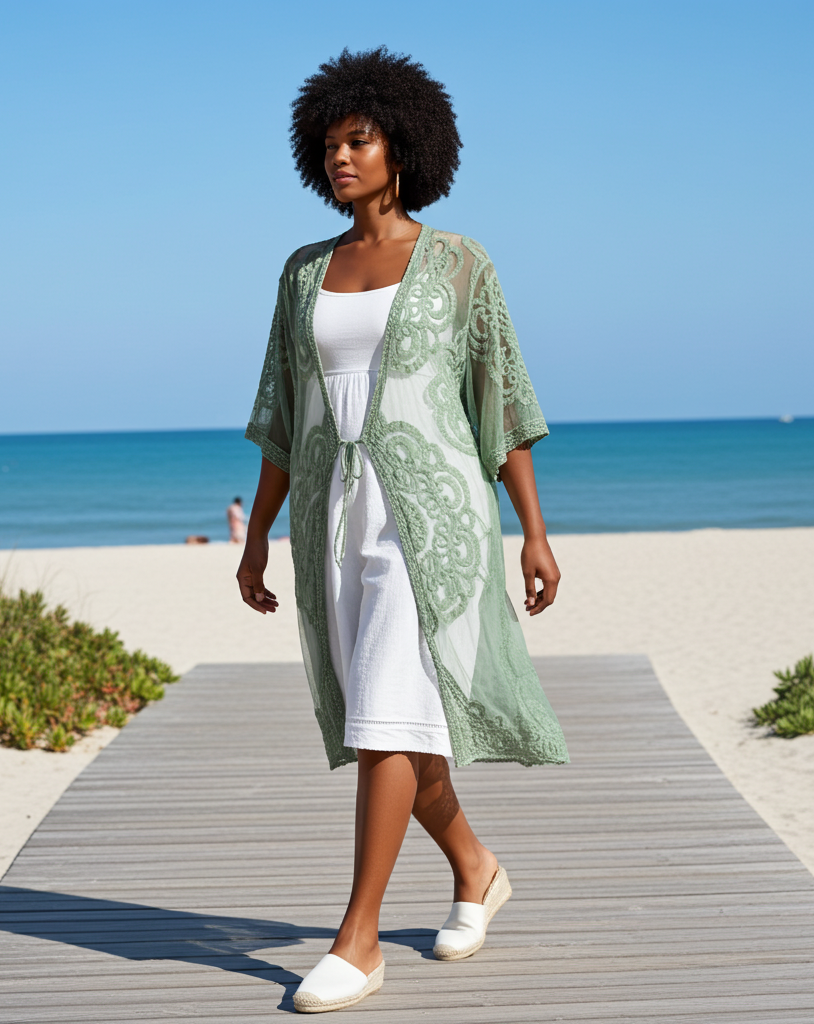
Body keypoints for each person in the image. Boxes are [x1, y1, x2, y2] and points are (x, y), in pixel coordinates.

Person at [237, 47, 568, 1014]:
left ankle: (360, 937)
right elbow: (282, 411)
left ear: (402, 144)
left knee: (387, 709)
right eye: (331, 142)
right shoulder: (305, 273)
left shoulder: (461, 264)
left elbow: (498, 403)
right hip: (334, 519)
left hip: (435, 520)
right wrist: (259, 531)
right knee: (397, 725)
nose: (343, 156)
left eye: (360, 138)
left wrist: (534, 534)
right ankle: (475, 868)